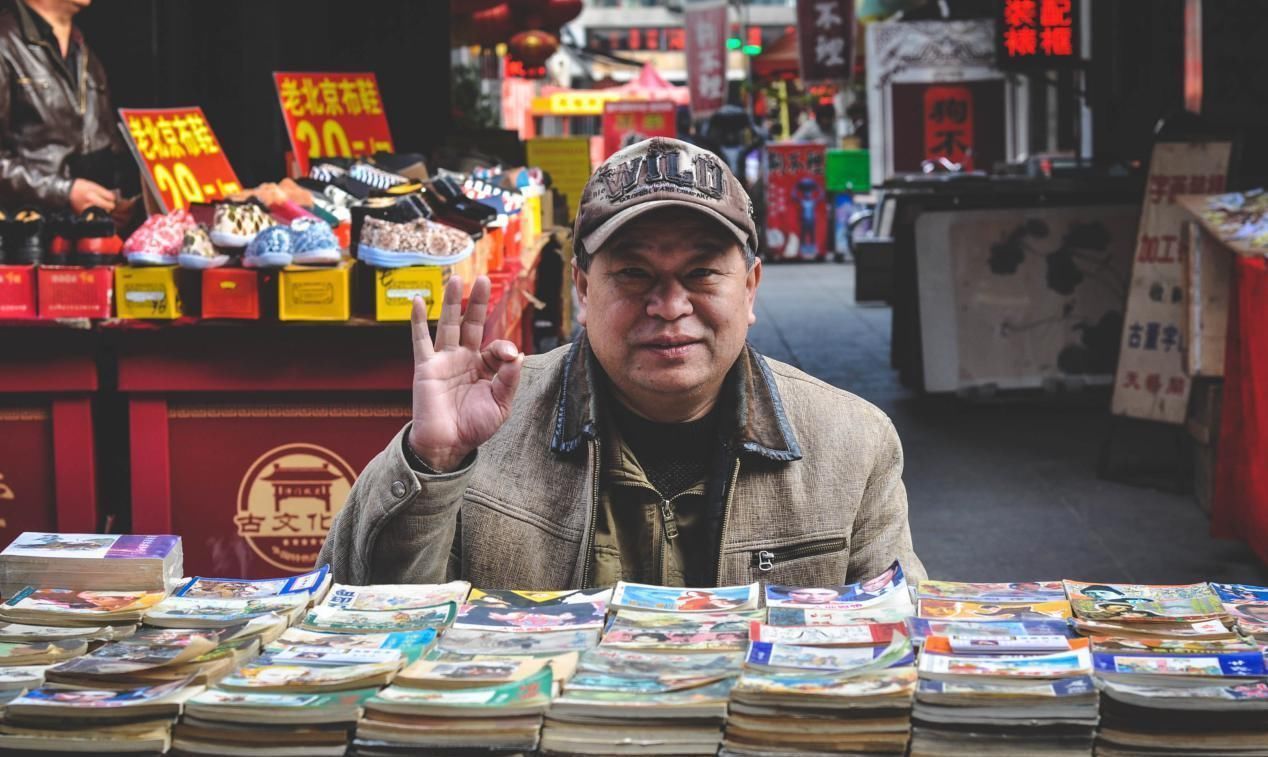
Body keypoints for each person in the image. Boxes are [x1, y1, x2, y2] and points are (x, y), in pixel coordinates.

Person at [319, 136, 924, 589]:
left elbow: (900, 643)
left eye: (702, 273)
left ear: (751, 288)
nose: (669, 306)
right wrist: (433, 465)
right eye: (634, 273)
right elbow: (362, 619)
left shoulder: (853, 444)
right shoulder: (486, 429)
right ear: (582, 290)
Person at [0, 0, 133, 217]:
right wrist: (63, 191)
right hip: (23, 236)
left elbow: (105, 143)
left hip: (83, 234)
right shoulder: (5, 42)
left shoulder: (85, 52)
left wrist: (119, 200)